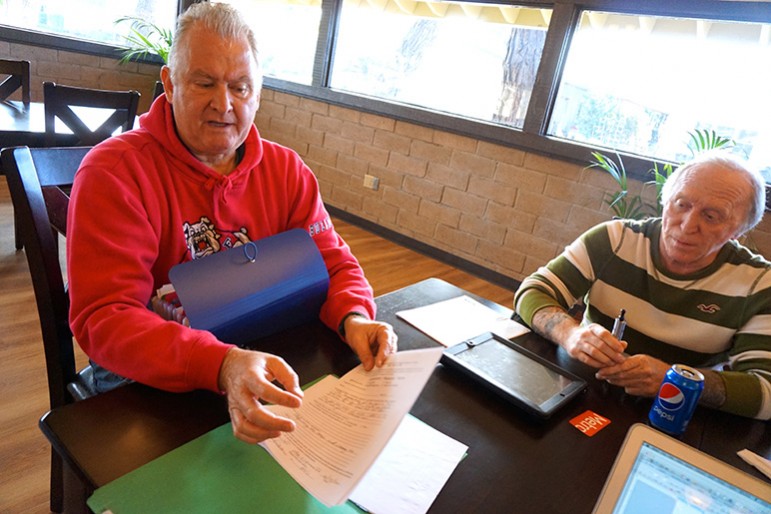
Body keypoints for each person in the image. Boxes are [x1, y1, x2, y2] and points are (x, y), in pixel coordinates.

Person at [67, 2, 397, 444]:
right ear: (168, 83)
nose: (223, 104)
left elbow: (333, 266)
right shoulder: (115, 172)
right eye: (204, 83)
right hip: (146, 384)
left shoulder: (286, 171)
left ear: (258, 94)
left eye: (241, 88)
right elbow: (105, 317)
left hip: (261, 354)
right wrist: (220, 363)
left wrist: (355, 318)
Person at [514, 151, 771, 420]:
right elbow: (533, 291)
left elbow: (766, 391)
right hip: (579, 390)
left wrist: (673, 379)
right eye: (681, 204)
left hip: (673, 413)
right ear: (664, 201)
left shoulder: (759, 285)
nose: (687, 225)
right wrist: (571, 334)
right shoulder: (614, 240)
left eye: (711, 216)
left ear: (738, 231)